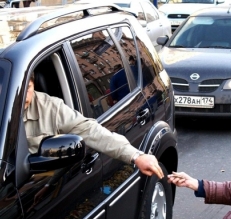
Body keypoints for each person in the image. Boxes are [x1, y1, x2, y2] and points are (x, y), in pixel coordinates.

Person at [24, 73, 163, 179]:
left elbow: (90, 130)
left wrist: (135, 155)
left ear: (34, 83)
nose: (23, 97)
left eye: (28, 88)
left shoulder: (51, 108)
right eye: (19, 92)